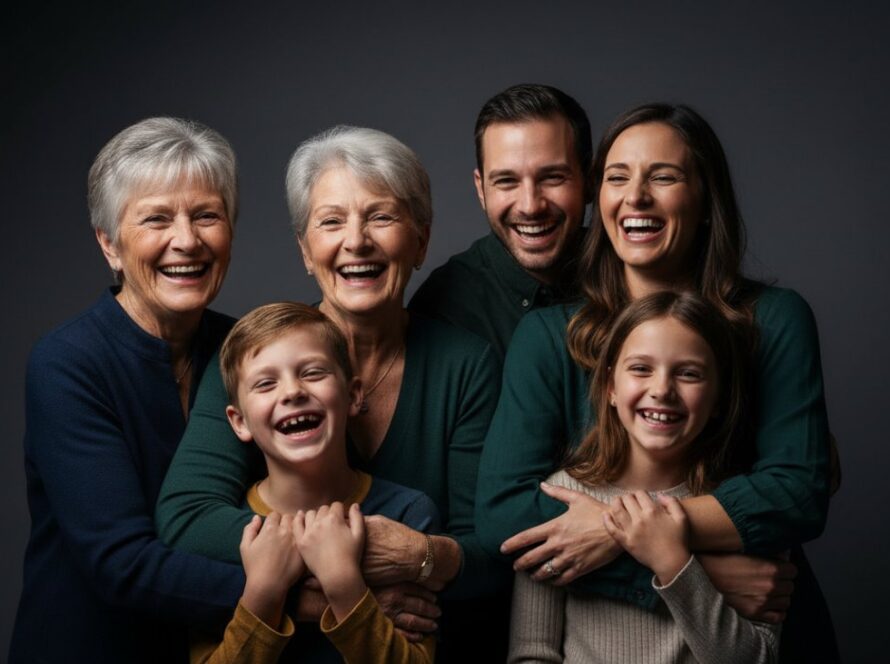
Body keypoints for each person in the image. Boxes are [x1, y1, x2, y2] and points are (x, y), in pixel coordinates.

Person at [477, 103, 838, 662]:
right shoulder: (549, 335)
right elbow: (505, 513)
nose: (636, 197)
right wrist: (690, 568)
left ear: (706, 201)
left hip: (758, 629)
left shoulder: (773, 320)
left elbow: (796, 492)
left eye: (663, 177)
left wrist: (614, 531)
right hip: (703, 597)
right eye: (617, 178)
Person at [157, 126, 507, 662]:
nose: (356, 240)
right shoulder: (252, 357)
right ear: (304, 249)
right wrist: (338, 578)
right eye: (331, 221)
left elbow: (488, 550)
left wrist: (421, 555)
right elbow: (187, 520)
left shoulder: (464, 364)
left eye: (382, 216)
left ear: (421, 241)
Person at [9, 117, 245, 663]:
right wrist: (306, 595)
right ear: (110, 243)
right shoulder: (67, 363)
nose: (186, 240)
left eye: (206, 215)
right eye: (156, 219)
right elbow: (123, 564)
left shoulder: (246, 348)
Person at [509, 291, 779, 663]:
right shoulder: (561, 497)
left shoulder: (742, 510)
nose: (662, 390)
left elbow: (756, 659)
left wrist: (673, 560)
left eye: (689, 373)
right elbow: (531, 653)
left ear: (719, 398)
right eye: (641, 369)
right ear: (611, 388)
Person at [192, 302, 438, 663]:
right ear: (239, 421)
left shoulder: (407, 516)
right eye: (265, 383)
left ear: (354, 395)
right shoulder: (219, 537)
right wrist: (263, 593)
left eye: (312, 373)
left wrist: (343, 583)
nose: (292, 392)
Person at [409, 83, 591, 358]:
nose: (530, 206)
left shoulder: (630, 273)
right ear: (481, 189)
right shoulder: (442, 307)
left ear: (589, 181)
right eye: (506, 181)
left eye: (553, 177)